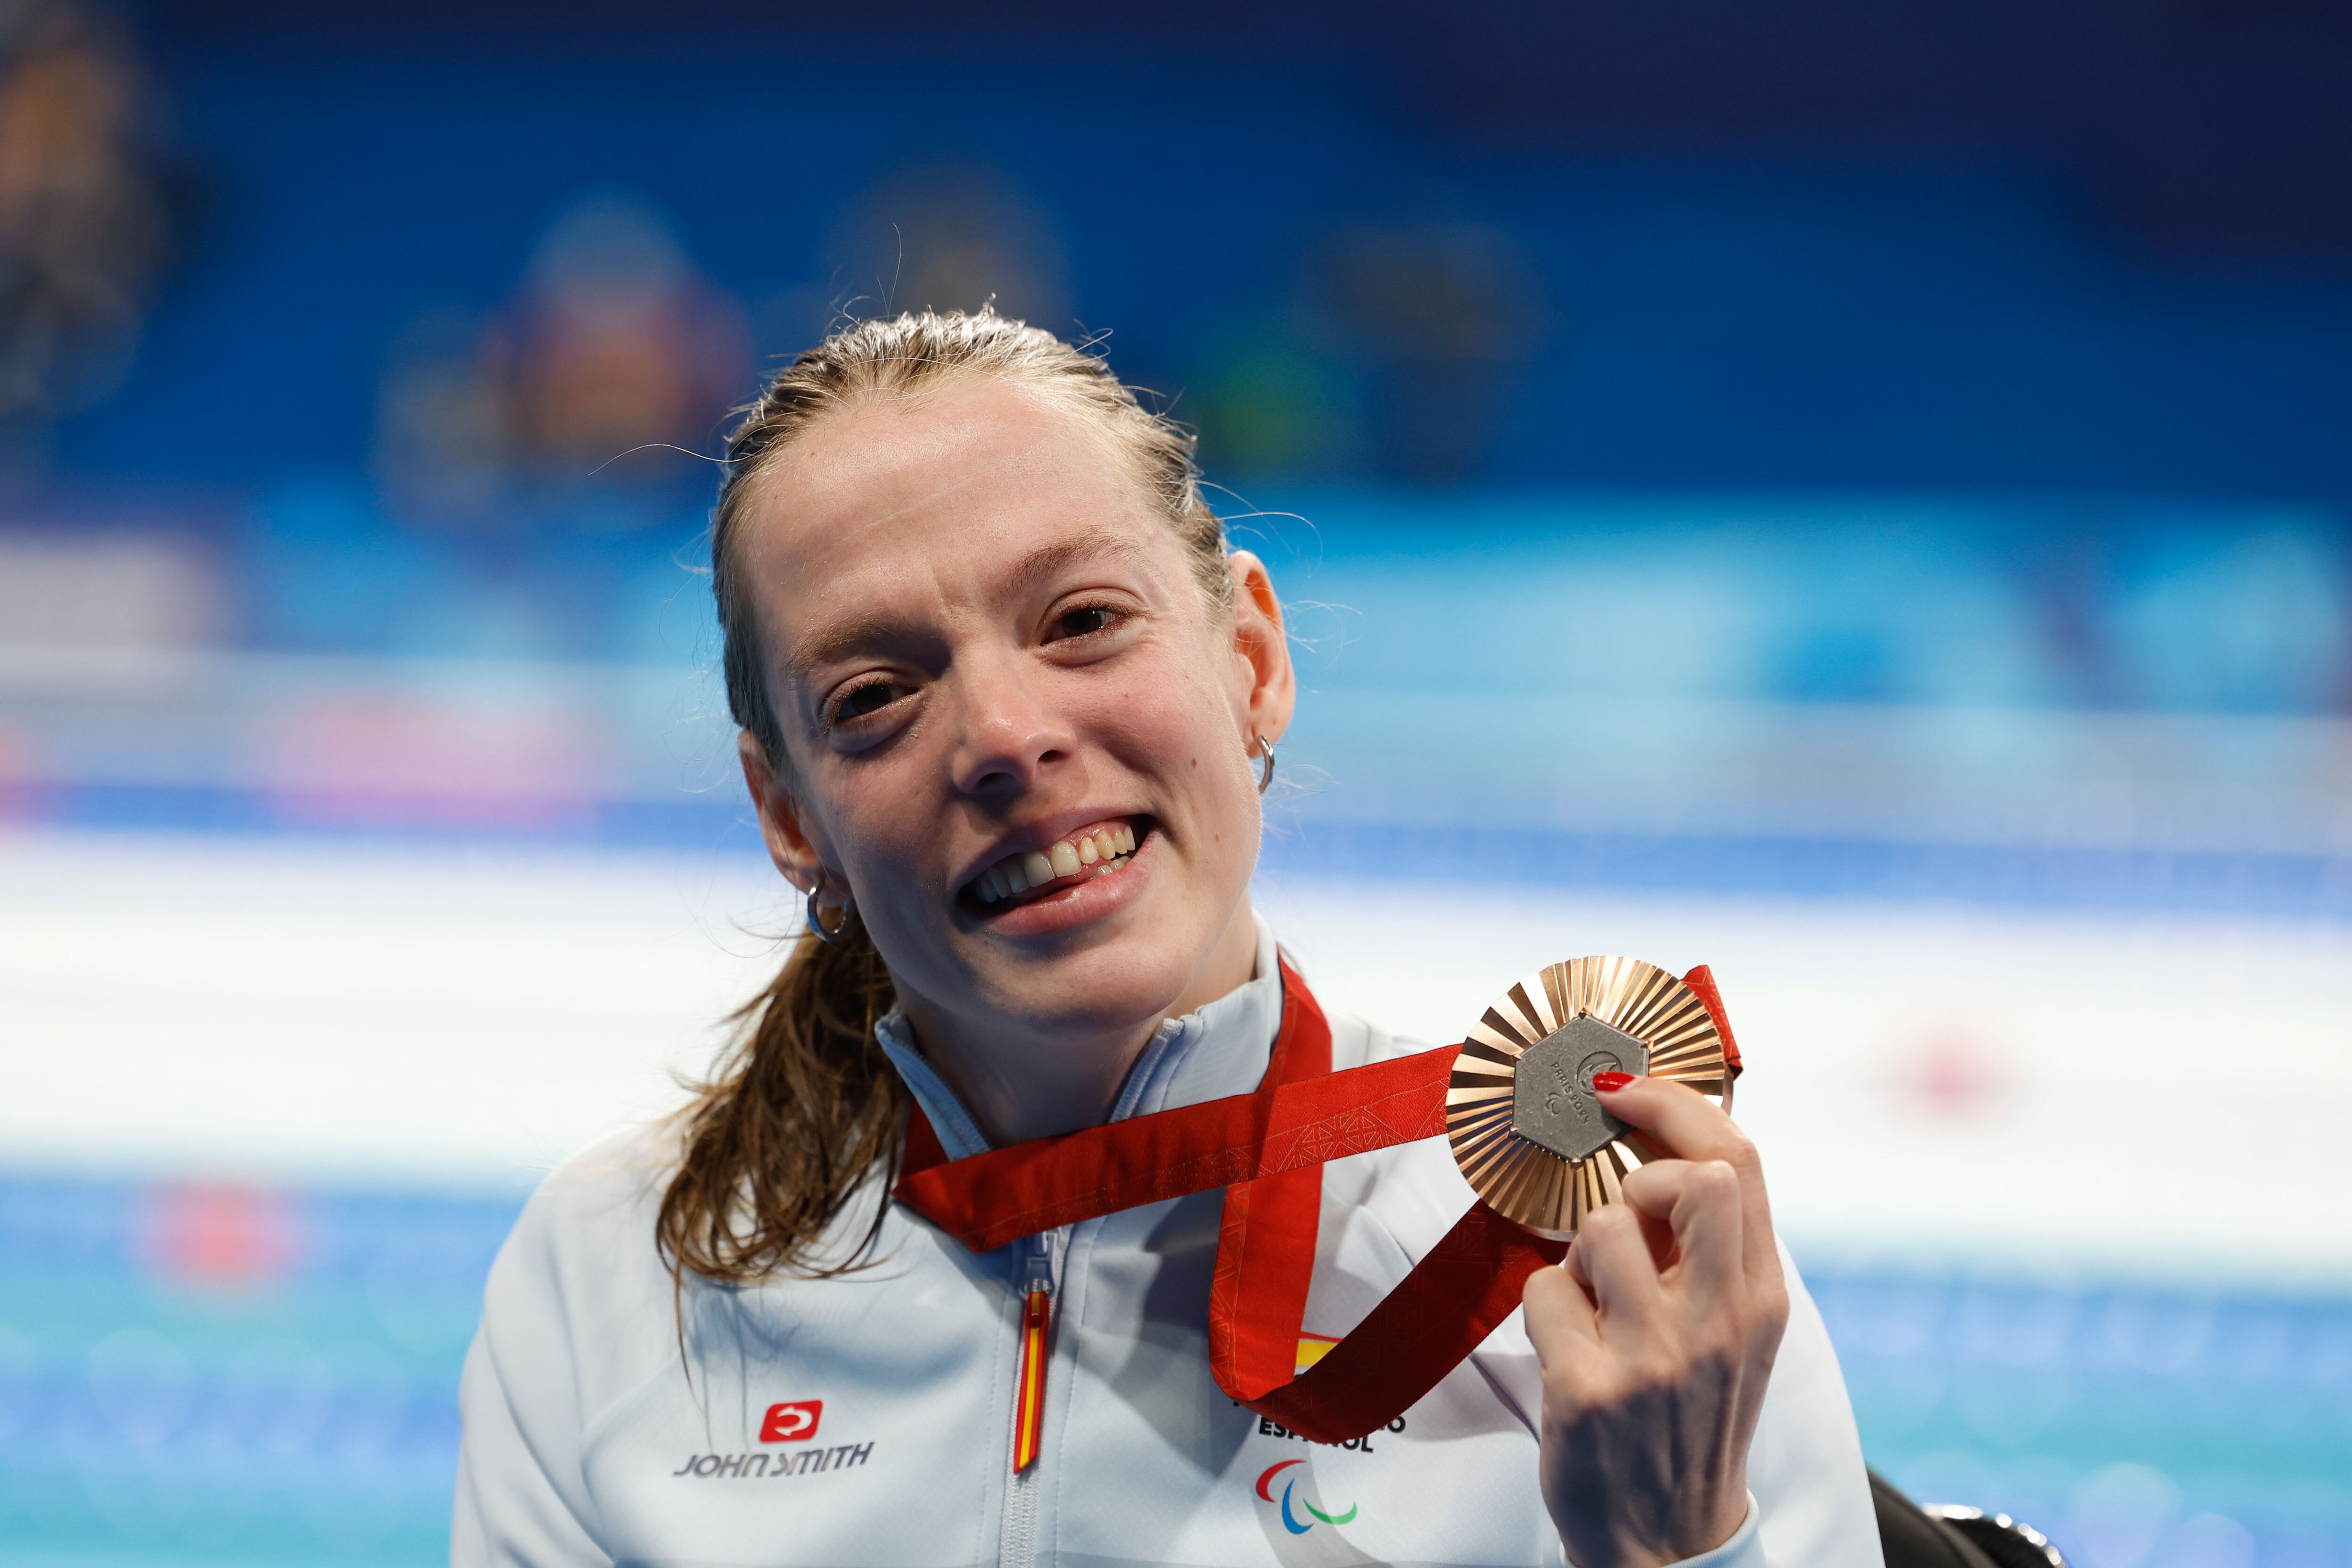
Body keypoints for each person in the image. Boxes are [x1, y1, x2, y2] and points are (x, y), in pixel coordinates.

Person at [452, 309, 1879, 1568]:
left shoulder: (1616, 1265)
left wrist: (1677, 1558)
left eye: (1081, 620)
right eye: (877, 694)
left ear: (1250, 664)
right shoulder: (617, 1280)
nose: (1007, 738)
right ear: (791, 818)